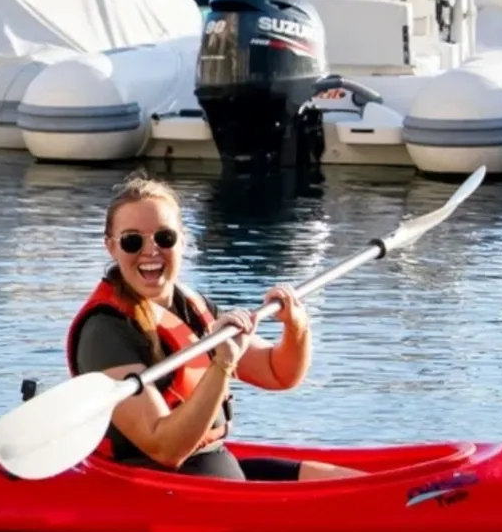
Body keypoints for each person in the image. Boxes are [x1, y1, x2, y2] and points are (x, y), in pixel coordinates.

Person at [64, 172, 363, 481]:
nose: (151, 251)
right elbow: (164, 448)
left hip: (215, 467)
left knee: (347, 480)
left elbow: (279, 372)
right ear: (111, 247)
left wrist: (296, 328)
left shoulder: (192, 306)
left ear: (182, 240)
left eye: (164, 237)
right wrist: (222, 363)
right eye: (132, 240)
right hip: (162, 489)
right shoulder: (105, 332)